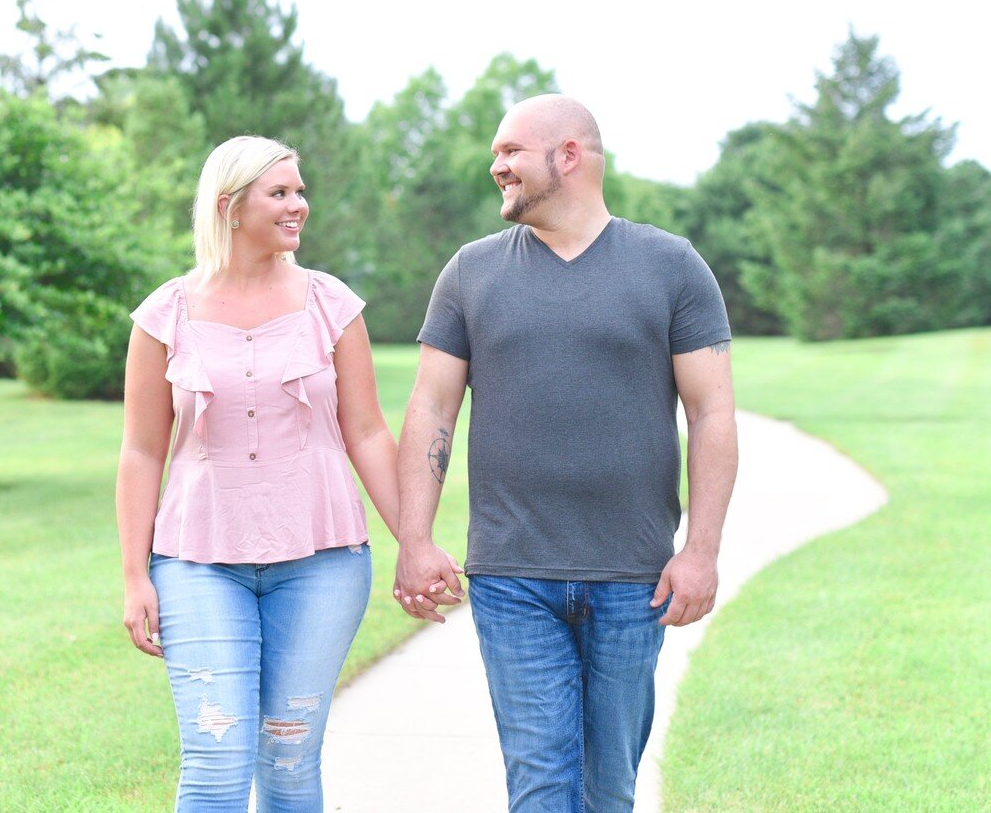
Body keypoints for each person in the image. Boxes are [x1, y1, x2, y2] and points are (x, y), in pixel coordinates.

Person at [392, 95, 739, 812]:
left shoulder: (670, 266)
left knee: (607, 790)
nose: (496, 167)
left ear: (569, 155)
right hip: (512, 576)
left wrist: (700, 550)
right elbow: (431, 407)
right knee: (543, 787)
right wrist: (414, 539)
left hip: (633, 577)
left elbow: (711, 413)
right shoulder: (469, 272)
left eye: (511, 151)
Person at [116, 135, 404, 812]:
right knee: (215, 763)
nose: (298, 205)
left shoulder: (332, 305)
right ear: (230, 207)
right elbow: (140, 452)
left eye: (300, 191)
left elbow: (367, 432)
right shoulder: (165, 315)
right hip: (197, 562)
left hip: (323, 561)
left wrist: (413, 541)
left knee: (289, 759)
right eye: (280, 193)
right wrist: (134, 577)